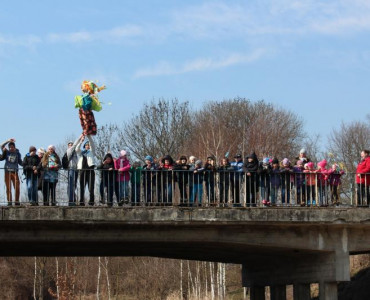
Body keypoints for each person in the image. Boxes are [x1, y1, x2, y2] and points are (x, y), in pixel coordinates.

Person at [0, 138, 22, 206]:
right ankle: (9, 201)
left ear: (15, 147)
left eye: (12, 147)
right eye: (10, 147)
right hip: (7, 172)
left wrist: (26, 165)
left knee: (17, 187)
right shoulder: (6, 152)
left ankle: (16, 201)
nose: (11, 148)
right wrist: (8, 141)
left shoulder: (17, 153)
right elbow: (1, 145)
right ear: (8, 148)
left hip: (15, 172)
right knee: (8, 187)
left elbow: (20, 162)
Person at [76, 135, 97, 206]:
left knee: (91, 187)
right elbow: (76, 149)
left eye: (88, 145)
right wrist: (81, 141)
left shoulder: (91, 152)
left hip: (90, 170)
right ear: (84, 146)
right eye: (86, 145)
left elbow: (92, 143)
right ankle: (81, 201)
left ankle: (91, 201)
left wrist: (89, 137)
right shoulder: (81, 153)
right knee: (82, 187)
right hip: (82, 171)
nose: (87, 146)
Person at [63, 136, 82, 206]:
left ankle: (73, 199)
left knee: (74, 185)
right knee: (71, 185)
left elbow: (77, 148)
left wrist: (81, 141)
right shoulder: (69, 151)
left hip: (76, 169)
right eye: (69, 145)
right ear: (68, 146)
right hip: (71, 169)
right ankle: (71, 201)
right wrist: (80, 138)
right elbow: (75, 145)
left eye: (71, 144)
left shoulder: (75, 153)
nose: (71, 146)